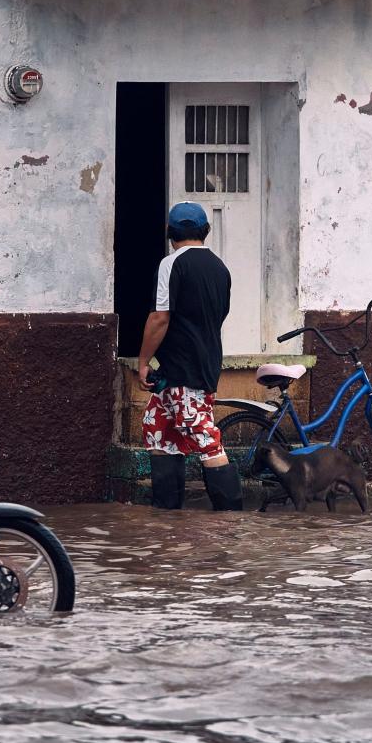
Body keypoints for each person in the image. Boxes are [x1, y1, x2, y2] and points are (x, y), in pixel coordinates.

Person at [136, 201, 244, 511]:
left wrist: (143, 362)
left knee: (205, 438)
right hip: (193, 365)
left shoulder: (172, 263)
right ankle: (167, 515)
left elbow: (160, 318)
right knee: (156, 428)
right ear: (205, 231)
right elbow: (219, 314)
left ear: (170, 232)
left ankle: (230, 519)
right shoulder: (220, 268)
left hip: (186, 370)